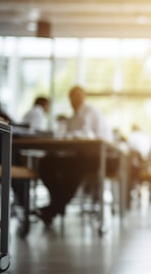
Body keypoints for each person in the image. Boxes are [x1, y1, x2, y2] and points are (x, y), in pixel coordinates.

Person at [34, 85, 117, 226]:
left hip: (104, 157)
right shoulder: (72, 118)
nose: (74, 99)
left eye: (77, 96)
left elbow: (86, 136)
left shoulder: (90, 112)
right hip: (82, 156)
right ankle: (57, 204)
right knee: (46, 162)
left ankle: (54, 208)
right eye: (72, 96)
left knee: (75, 167)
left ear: (84, 96)